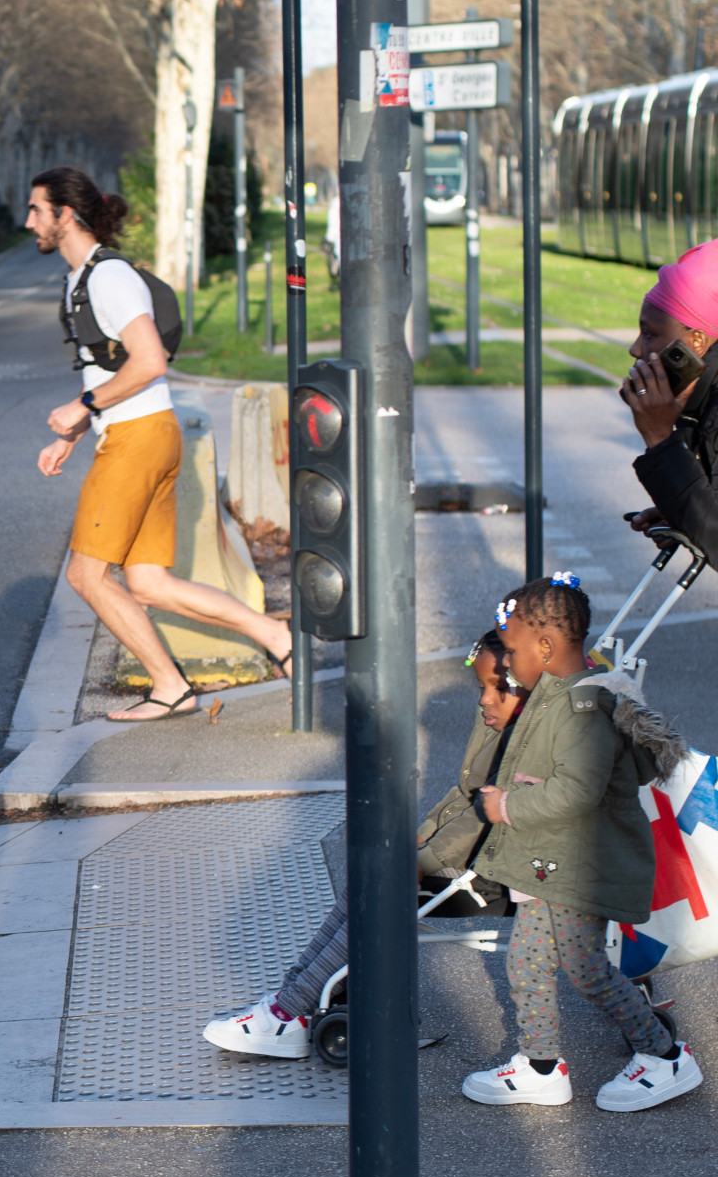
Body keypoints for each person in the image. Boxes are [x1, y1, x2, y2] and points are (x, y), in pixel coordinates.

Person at [28, 165, 292, 722]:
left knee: (86, 574)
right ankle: (275, 634)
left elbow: (149, 361)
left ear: (65, 216)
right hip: (139, 434)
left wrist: (85, 407)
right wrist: (76, 431)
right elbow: (105, 367)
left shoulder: (108, 277)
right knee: (147, 583)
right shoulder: (79, 280)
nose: (30, 221)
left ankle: (170, 685)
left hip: (138, 438)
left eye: (37, 210)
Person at [202, 628, 529, 1058]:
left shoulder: (525, 743)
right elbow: (462, 797)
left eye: (497, 689)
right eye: (482, 686)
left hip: (497, 870)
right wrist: (421, 837)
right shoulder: (499, 727)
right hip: (474, 856)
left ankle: (287, 1013)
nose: (484, 699)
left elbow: (479, 817)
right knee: (367, 879)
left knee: (379, 891)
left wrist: (424, 857)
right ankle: (292, 1002)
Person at [461, 574, 699, 1111]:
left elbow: (578, 791)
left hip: (581, 863)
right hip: (554, 861)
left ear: (545, 648)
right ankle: (541, 1065)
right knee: (526, 962)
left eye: (515, 648)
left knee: (586, 969)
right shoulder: (558, 693)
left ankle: (664, 1057)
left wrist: (507, 806)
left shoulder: (582, 709)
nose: (509, 661)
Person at [623, 240, 718, 560]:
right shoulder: (701, 398)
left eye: (649, 333)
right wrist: (680, 510)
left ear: (697, 341)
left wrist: (660, 438)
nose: (636, 349)